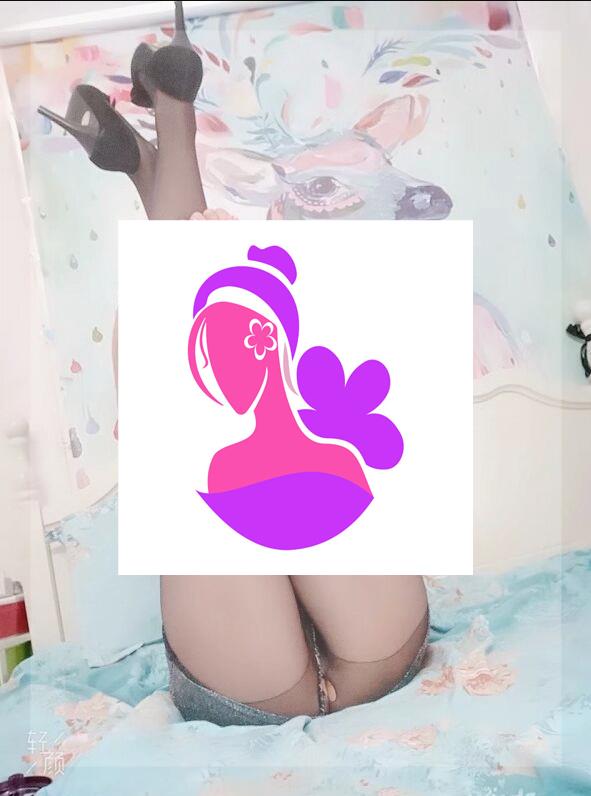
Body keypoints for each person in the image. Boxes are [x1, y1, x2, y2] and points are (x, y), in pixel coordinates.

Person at [40, 0, 430, 726]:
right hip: (379, 652)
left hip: (274, 679)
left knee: (190, 422)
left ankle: (162, 142)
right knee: (192, 431)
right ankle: (165, 135)